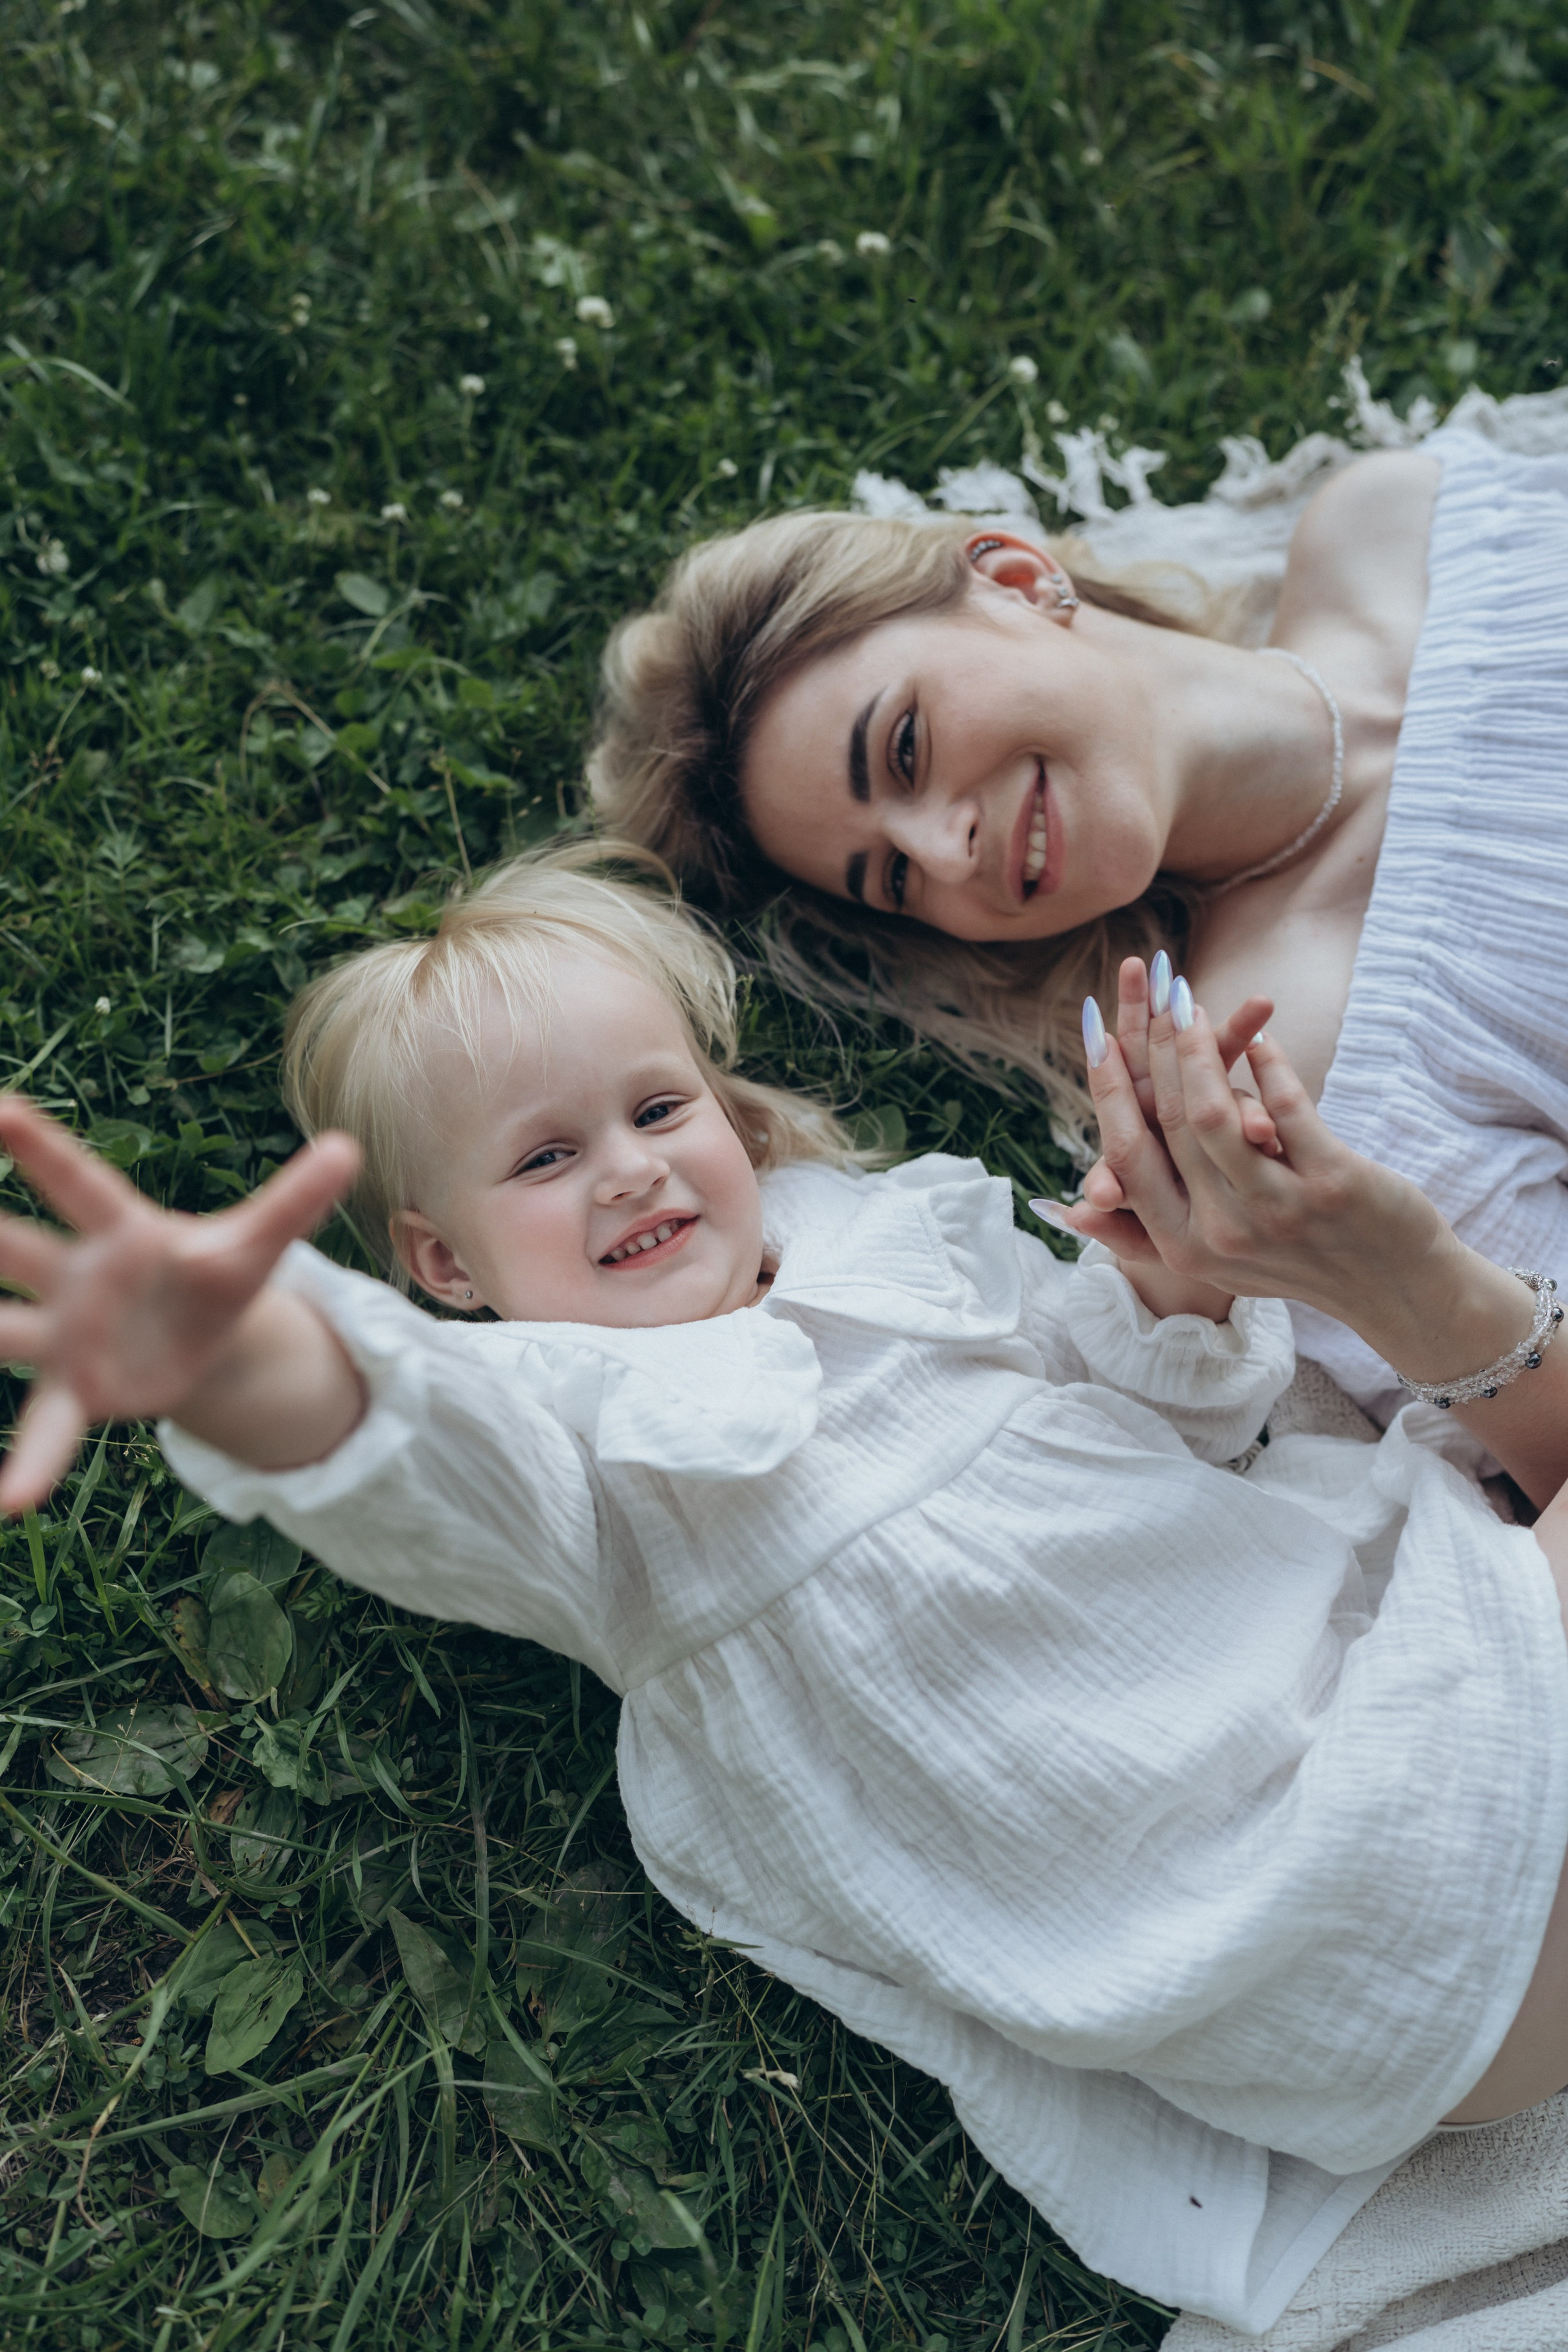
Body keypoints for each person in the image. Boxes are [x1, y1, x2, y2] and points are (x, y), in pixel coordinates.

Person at [3, 842, 1568, 2335]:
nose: (627, 1171)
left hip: (1396, 1700)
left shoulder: (906, 1242)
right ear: (448, 1269)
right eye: (544, 1158)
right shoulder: (583, 1451)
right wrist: (240, 1363)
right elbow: (409, 1455)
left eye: (656, 1108)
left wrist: (1170, 1274)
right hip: (1341, 1909)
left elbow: (1188, 1422)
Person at [587, 421, 1568, 1422]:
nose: (945, 852)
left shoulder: (1394, 520)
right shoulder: (1293, 1077)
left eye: (907, 748)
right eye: (895, 879)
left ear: (1015, 580)